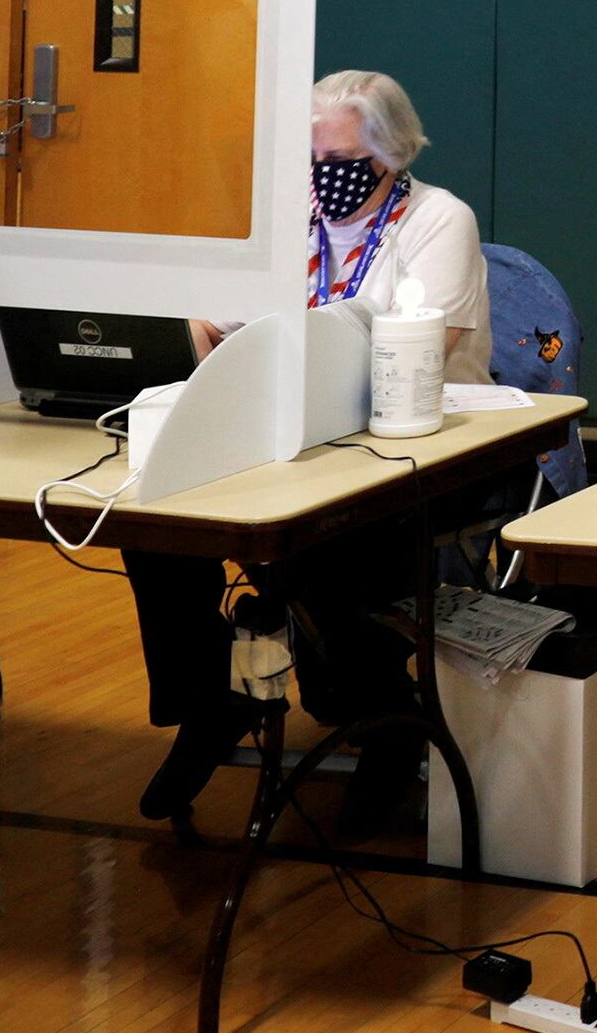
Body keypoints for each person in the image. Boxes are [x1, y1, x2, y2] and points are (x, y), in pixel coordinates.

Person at [125, 70, 481, 827]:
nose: (329, 173)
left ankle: (383, 717)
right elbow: (205, 328)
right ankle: (207, 703)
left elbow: (428, 348)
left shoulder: (438, 220)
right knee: (153, 521)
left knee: (326, 537)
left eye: (345, 155)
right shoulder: (288, 218)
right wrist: (167, 338)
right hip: (284, 437)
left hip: (410, 447)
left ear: (392, 152)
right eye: (313, 157)